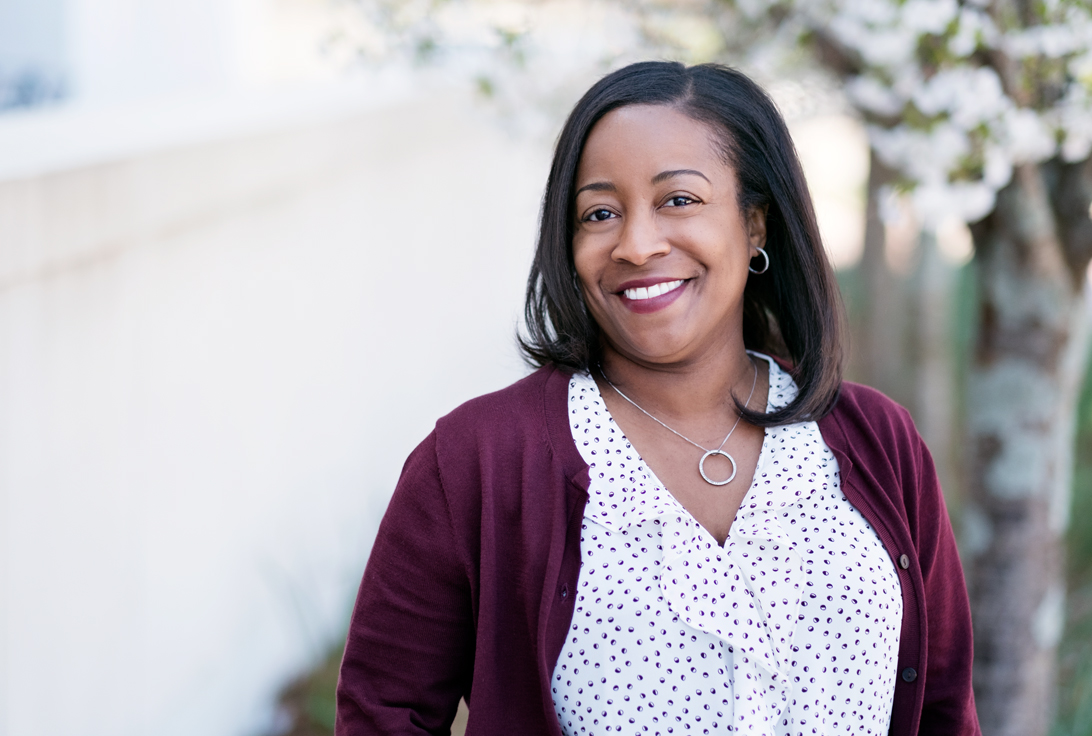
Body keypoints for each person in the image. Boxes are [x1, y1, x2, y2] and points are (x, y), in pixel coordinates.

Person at [335, 62, 979, 736]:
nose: (637, 245)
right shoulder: (474, 464)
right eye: (600, 213)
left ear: (755, 224)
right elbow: (382, 715)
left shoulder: (878, 441)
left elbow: (943, 707)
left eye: (678, 200)